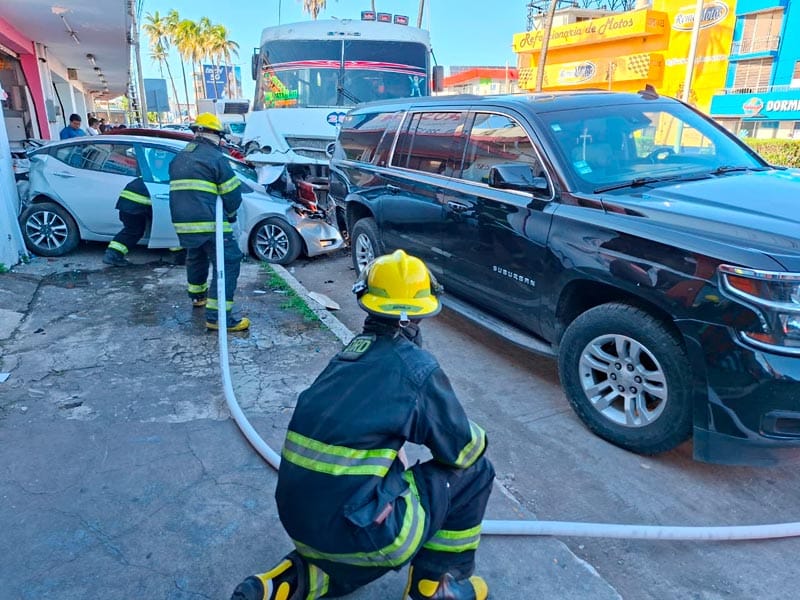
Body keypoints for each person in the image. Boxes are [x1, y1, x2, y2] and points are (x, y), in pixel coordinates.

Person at [230, 250, 495, 600]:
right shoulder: (415, 369)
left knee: (346, 550)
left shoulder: (346, 359)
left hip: (301, 523)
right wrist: (475, 433)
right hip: (361, 531)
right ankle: (437, 586)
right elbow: (463, 450)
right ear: (420, 314)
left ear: (367, 303)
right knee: (476, 473)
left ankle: (284, 585)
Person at [168, 112, 248, 331]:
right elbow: (232, 193)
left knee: (196, 254)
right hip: (210, 223)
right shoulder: (215, 158)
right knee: (230, 261)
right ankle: (218, 317)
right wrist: (231, 216)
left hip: (183, 223)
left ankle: (197, 297)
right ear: (215, 134)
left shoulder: (180, 157)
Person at [102, 176, 152, 267]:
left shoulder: (145, 177)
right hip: (134, 208)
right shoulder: (157, 179)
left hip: (126, 206)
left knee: (131, 230)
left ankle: (112, 254)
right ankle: (112, 256)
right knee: (133, 231)